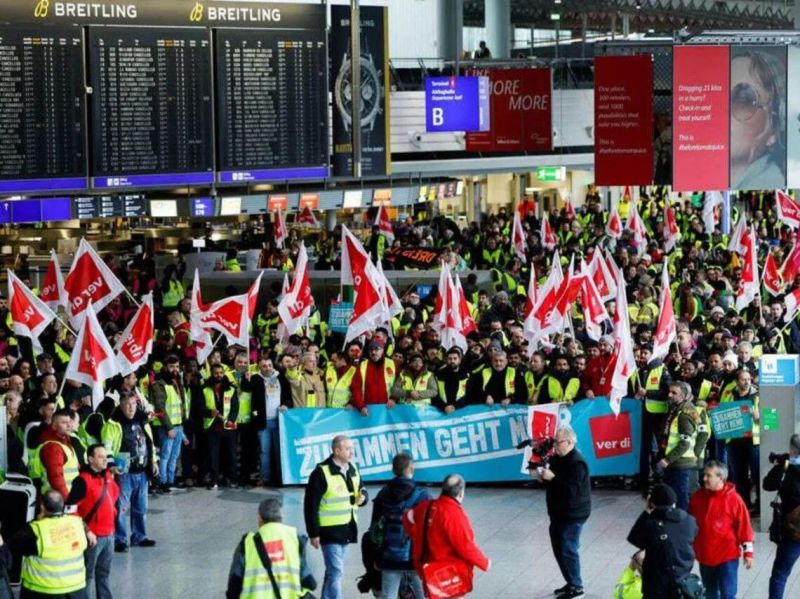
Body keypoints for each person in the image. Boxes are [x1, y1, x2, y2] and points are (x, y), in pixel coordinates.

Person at [303, 435, 368, 599]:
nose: (351, 452)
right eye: (347, 449)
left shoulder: (352, 468)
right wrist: (313, 532)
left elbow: (362, 488)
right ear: (336, 451)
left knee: (333, 571)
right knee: (337, 571)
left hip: (347, 529)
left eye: (351, 448)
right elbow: (311, 505)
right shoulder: (321, 473)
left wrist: (363, 498)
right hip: (329, 532)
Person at [403, 474, 491, 595]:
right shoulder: (455, 514)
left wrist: (414, 533)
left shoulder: (425, 506)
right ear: (461, 494)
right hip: (448, 574)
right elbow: (465, 546)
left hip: (427, 570)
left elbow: (407, 517)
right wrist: (484, 562)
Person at [533, 426, 591, 599]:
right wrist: (539, 476)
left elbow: (571, 490)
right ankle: (570, 581)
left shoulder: (577, 463)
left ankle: (577, 586)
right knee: (559, 549)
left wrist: (553, 478)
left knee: (568, 549)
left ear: (569, 442)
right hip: (558, 512)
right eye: (554, 442)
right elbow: (551, 484)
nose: (554, 446)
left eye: (557, 443)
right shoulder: (557, 459)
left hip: (573, 514)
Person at [688, 460, 754, 599]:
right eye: (704, 475)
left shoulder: (734, 500)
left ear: (721, 478)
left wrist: (748, 553)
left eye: (708, 475)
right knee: (710, 593)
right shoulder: (697, 497)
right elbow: (689, 524)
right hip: (705, 556)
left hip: (727, 557)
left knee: (728, 594)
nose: (704, 478)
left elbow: (744, 526)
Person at [226, 497, 316, 599]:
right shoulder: (295, 538)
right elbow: (310, 582)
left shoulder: (247, 543)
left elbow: (233, 588)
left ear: (260, 518)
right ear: (281, 517)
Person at [4, 490, 88, 598]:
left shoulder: (35, 530)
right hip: (77, 590)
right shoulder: (78, 523)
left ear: (42, 507)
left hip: (43, 590)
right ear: (62, 505)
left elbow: (12, 548)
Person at [370, 454, 433, 598]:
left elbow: (374, 529)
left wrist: (377, 557)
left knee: (388, 595)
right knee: (423, 594)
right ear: (412, 468)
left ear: (393, 469)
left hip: (389, 555)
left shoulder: (383, 494)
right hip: (415, 556)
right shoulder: (422, 496)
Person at [101, 392, 157, 553]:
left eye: (133, 404)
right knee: (120, 507)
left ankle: (139, 536)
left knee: (141, 507)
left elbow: (149, 442)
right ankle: (120, 539)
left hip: (142, 471)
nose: (130, 408)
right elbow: (107, 446)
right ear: (121, 405)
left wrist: (153, 462)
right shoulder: (112, 425)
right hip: (123, 472)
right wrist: (111, 464)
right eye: (126, 404)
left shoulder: (143, 421)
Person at [66, 444, 120, 599]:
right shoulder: (82, 481)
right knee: (86, 575)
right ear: (90, 459)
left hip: (109, 533)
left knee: (104, 573)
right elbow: (70, 509)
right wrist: (87, 530)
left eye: (105, 456)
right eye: (100, 457)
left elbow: (114, 494)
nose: (105, 460)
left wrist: (114, 513)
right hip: (93, 537)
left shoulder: (107, 476)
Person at [627, 484, 698, 599]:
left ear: (652, 503)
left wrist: (646, 512)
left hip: (656, 584)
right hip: (682, 581)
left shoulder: (650, 525)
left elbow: (634, 539)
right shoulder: (690, 521)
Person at [764, 434, 800, 598]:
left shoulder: (786, 466)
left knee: (780, 574)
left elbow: (768, 485)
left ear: (792, 450)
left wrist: (780, 465)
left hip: (793, 530)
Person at [657, 382, 703, 510]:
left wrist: (668, 459)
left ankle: (682, 520)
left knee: (680, 494)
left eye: (674, 393)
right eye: (669, 392)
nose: (669, 395)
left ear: (683, 396)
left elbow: (684, 443)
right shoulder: (677, 408)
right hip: (675, 460)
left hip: (680, 462)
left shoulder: (684, 414)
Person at [150, 354, 187, 494]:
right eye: (171, 366)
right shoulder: (160, 384)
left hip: (178, 424)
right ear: (165, 367)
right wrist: (169, 427)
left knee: (174, 455)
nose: (175, 369)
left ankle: (171, 480)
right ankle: (162, 482)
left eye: (177, 366)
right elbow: (160, 407)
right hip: (167, 427)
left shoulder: (177, 382)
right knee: (165, 455)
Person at [250, 357, 287, 486]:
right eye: (264, 366)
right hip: (263, 421)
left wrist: (285, 405)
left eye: (269, 365)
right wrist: (245, 378)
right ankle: (265, 477)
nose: (267, 368)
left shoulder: (281, 377)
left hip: (279, 420)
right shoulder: (255, 379)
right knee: (264, 450)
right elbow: (247, 390)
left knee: (279, 450)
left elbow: (287, 395)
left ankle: (281, 477)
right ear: (260, 367)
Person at [203, 362, 239, 490]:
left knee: (231, 455)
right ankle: (213, 480)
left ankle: (232, 479)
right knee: (213, 455)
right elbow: (200, 408)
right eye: (216, 373)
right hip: (212, 426)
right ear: (212, 374)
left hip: (228, 427)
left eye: (220, 373)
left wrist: (231, 420)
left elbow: (235, 407)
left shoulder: (231, 388)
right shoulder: (205, 389)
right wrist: (209, 413)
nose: (219, 375)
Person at [30, 408, 80, 500]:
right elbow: (56, 478)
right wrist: (68, 501)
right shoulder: (52, 447)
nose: (69, 425)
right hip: (58, 501)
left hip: (63, 498)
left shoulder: (64, 443)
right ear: (54, 426)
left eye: (69, 422)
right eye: (64, 422)